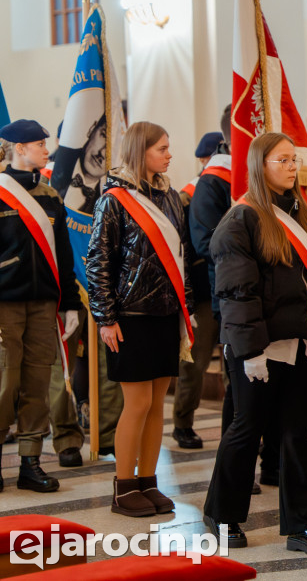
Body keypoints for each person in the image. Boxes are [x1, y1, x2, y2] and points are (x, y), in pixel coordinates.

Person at [203, 132, 307, 555]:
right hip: (260, 349)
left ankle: (302, 526)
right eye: (282, 160)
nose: (291, 167)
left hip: (303, 345)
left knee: (296, 434)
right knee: (246, 431)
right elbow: (236, 293)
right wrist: (249, 351)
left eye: (293, 160)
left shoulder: (305, 215)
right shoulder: (241, 220)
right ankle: (223, 513)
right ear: (259, 166)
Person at [87, 121, 194, 517]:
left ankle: (148, 482)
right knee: (137, 403)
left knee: (156, 404)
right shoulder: (113, 200)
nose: (169, 155)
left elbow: (181, 257)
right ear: (140, 151)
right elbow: (98, 261)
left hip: (166, 312)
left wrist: (188, 310)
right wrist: (105, 317)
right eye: (161, 149)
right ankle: (124, 487)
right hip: (129, 315)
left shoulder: (169, 196)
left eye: (168, 148)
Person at [0, 119, 82, 492]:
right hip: (6, 303)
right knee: (4, 380)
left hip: (44, 303)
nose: (46, 150)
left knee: (37, 381)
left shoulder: (50, 195)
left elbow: (64, 257)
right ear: (19, 148)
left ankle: (30, 461)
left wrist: (68, 304)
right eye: (39, 144)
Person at [171, 131, 227, 451]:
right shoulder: (188, 195)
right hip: (203, 290)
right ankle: (183, 421)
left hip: (230, 287)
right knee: (197, 360)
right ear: (204, 160)